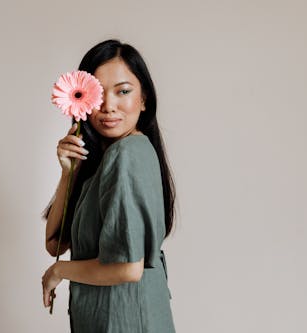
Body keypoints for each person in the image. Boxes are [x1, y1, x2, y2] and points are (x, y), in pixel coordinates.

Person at [41, 39, 177, 333]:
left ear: (144, 99)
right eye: (98, 94)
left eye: (123, 91)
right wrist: (69, 174)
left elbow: (127, 268)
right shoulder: (111, 158)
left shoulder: (126, 154)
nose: (108, 106)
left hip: (123, 321)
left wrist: (59, 270)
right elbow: (55, 243)